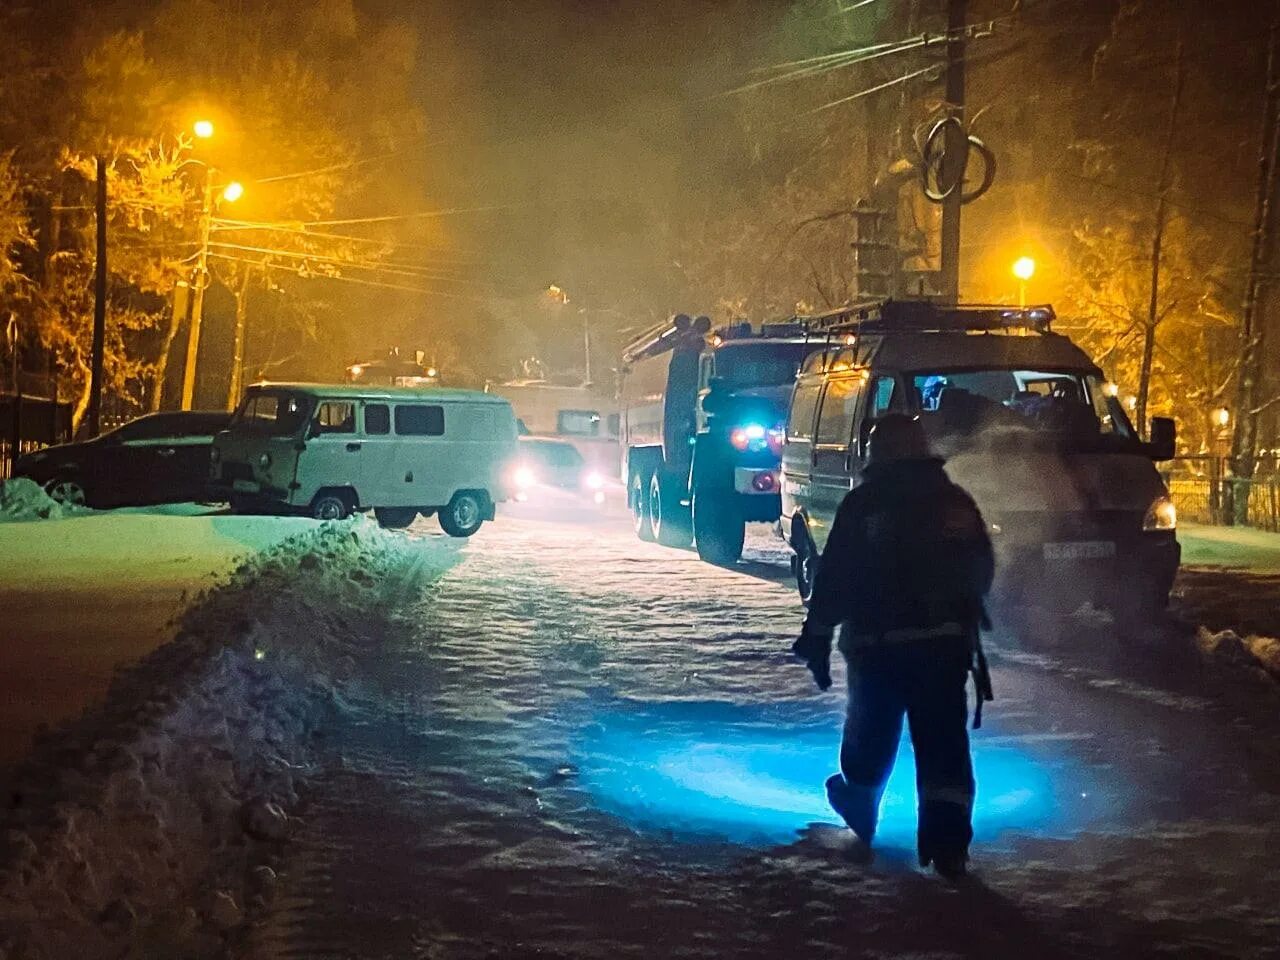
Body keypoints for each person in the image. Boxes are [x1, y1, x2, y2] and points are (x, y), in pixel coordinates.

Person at [792, 414, 994, 878]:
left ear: (876, 451)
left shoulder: (864, 506)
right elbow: (981, 566)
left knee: (869, 735)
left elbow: (836, 576)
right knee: (944, 744)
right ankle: (948, 847)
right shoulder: (952, 502)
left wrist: (817, 633)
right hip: (943, 650)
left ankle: (860, 810)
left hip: (876, 649)